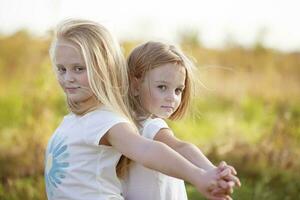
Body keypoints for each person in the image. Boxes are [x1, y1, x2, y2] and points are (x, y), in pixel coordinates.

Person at [44, 19, 237, 200]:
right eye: (61, 69)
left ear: (103, 68)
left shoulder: (108, 121)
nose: (68, 77)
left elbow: (151, 149)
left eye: (78, 69)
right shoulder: (79, 119)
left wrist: (203, 175)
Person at [122, 41, 241, 200]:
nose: (172, 97)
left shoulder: (123, 126)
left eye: (178, 90)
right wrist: (211, 170)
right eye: (162, 87)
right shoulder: (151, 126)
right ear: (135, 86)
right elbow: (180, 147)